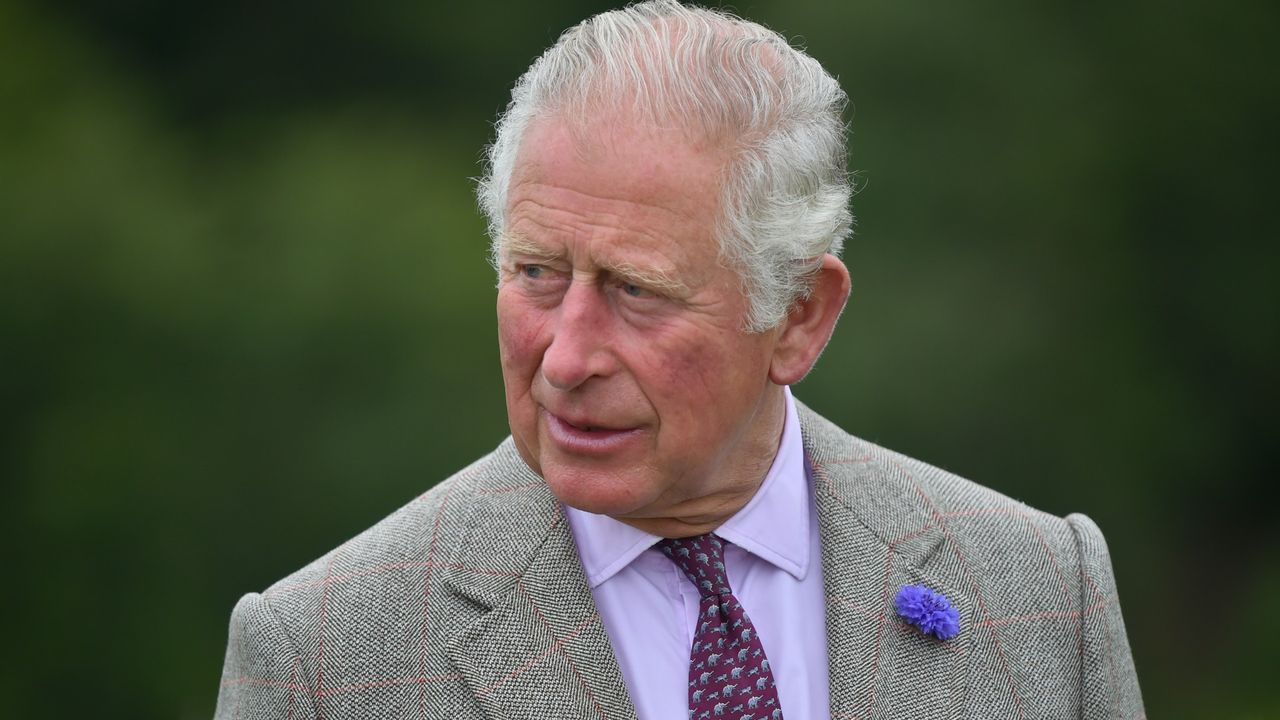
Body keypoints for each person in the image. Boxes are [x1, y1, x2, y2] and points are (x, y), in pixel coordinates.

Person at [213, 2, 1143, 718]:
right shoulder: (323, 659)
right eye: (536, 273)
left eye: (636, 291)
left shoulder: (1041, 590)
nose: (566, 357)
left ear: (800, 318)